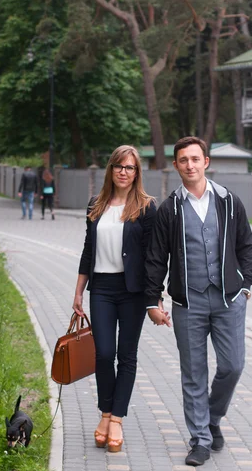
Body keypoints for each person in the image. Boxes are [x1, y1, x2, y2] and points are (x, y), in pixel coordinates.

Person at [145, 136, 252, 467]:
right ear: (176, 165)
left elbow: (245, 245)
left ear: (206, 162)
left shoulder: (228, 201)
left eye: (195, 159)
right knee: (193, 373)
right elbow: (155, 259)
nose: (190, 165)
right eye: (183, 160)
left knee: (232, 365)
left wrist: (246, 285)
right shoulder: (169, 209)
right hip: (188, 304)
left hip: (228, 300)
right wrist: (153, 300)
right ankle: (200, 440)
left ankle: (212, 417)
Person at [73, 145, 156, 453]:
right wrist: (78, 291)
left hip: (132, 291)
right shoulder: (96, 204)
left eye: (130, 167)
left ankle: (116, 419)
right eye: (119, 166)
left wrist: (153, 299)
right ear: (110, 169)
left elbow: (153, 258)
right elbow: (87, 250)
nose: (124, 171)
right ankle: (105, 413)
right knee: (104, 354)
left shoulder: (147, 207)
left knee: (127, 355)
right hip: (103, 289)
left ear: (137, 173)